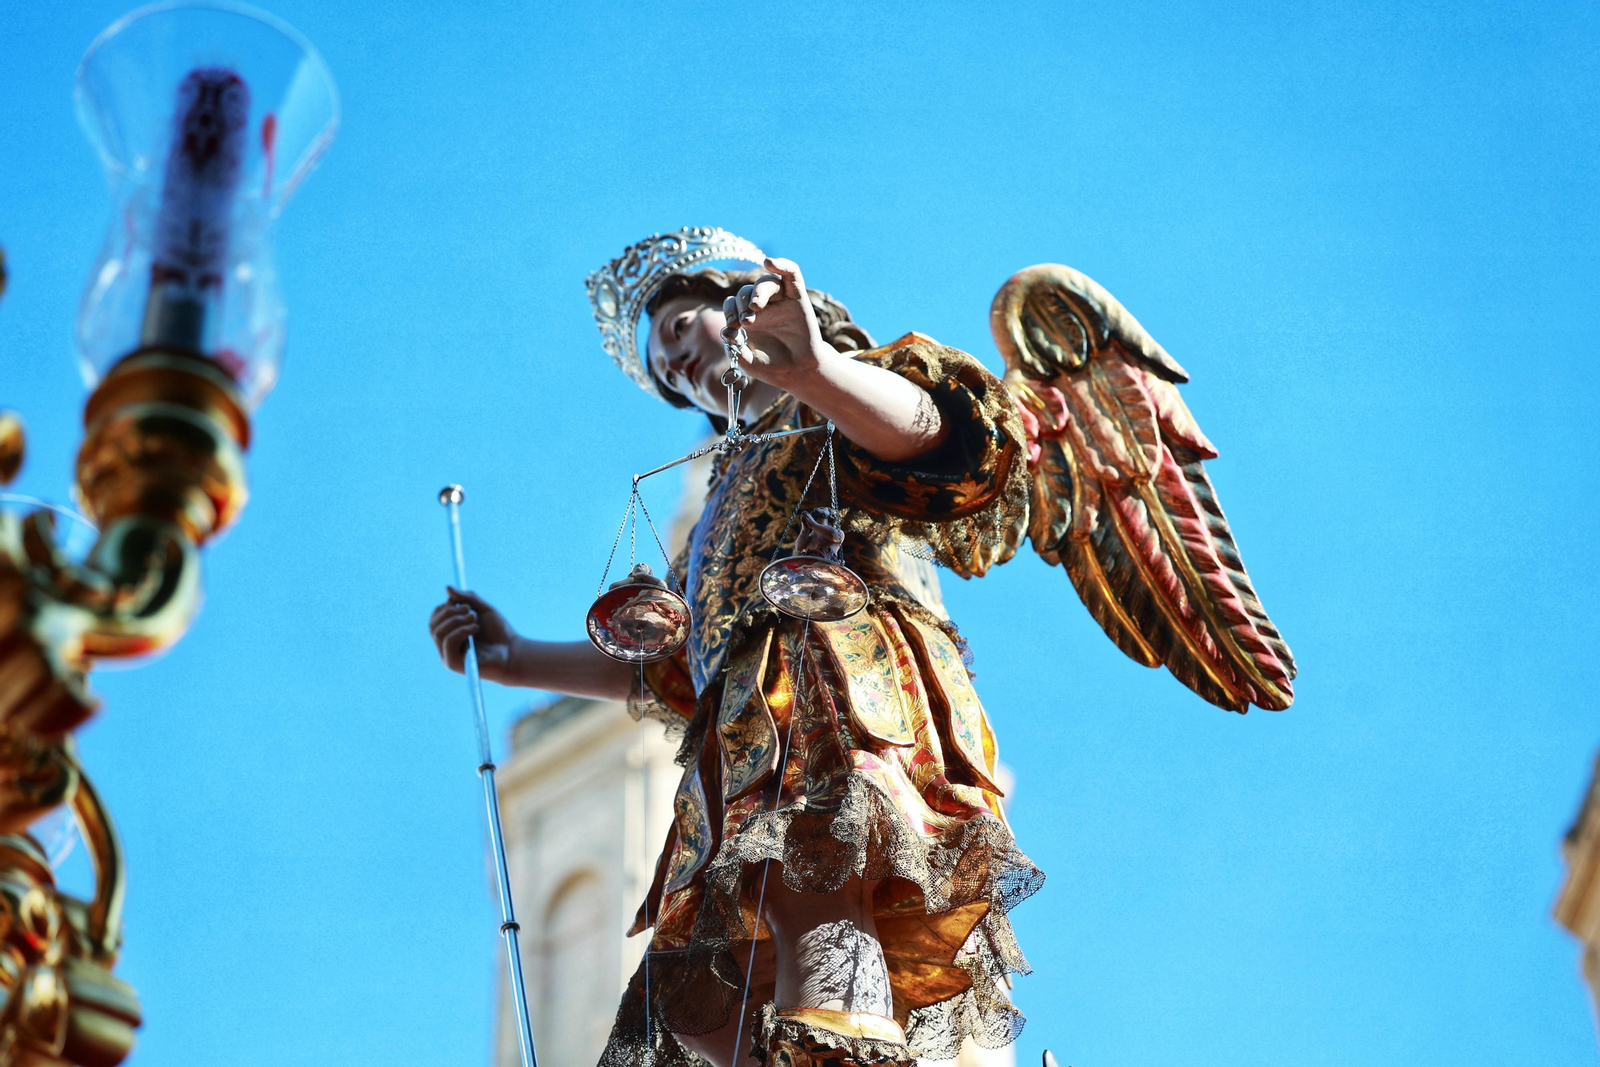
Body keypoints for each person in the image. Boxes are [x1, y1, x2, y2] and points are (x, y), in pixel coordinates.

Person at [430, 227, 1295, 1067]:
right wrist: (513, 657)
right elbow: (674, 661)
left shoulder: (834, 399)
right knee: (698, 1002)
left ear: (737, 302)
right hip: (740, 732)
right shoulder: (721, 490)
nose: (676, 363)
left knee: (814, 889)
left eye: (680, 329)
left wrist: (815, 369)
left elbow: (934, 436)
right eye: (662, 368)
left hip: (837, 690)